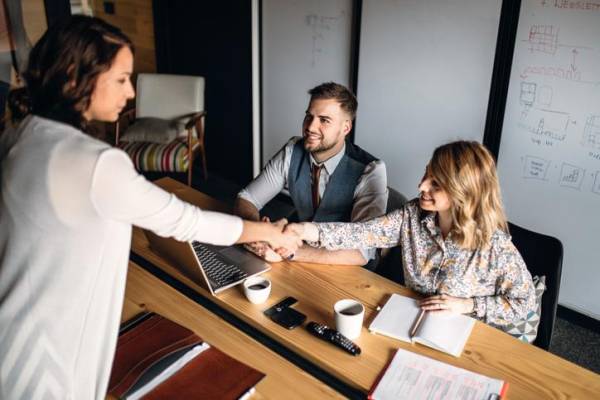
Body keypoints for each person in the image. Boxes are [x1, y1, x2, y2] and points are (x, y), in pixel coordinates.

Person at [0, 16, 300, 400]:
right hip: (47, 365)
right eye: (122, 79)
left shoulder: (18, 134)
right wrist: (270, 232)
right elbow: (186, 221)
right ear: (76, 77)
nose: (130, 94)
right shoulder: (94, 163)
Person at [285, 141, 536, 332]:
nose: (421, 186)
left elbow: (524, 303)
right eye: (426, 174)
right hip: (409, 321)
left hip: (467, 334)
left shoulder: (494, 245)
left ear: (464, 193)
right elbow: (363, 233)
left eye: (435, 184)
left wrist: (467, 305)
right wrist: (305, 230)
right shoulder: (412, 214)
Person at [234, 82, 388, 266]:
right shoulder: (292, 150)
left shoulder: (371, 169)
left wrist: (289, 251)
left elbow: (361, 252)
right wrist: (259, 233)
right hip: (297, 252)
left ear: (345, 128)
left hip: (345, 267)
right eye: (309, 117)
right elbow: (247, 197)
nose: (311, 127)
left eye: (324, 120)